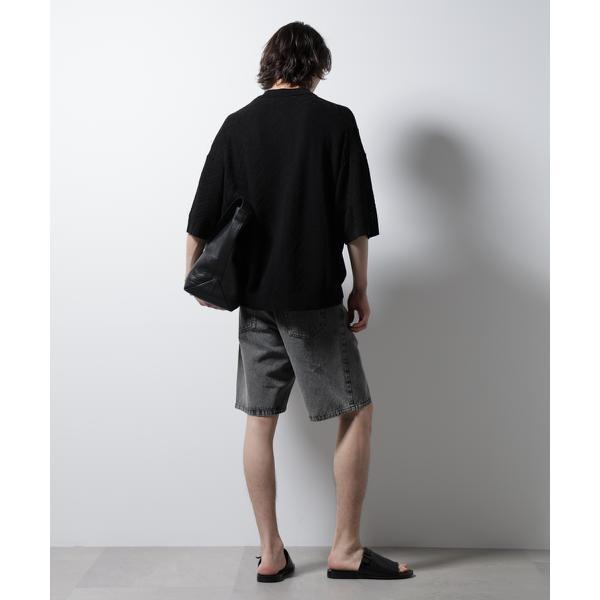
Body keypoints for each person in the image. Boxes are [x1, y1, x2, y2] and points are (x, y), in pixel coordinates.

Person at [185, 21, 413, 583]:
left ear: (270, 64)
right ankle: (346, 550)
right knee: (356, 410)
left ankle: (270, 554)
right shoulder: (335, 121)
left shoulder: (238, 124)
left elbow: (199, 218)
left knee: (259, 421)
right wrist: (361, 286)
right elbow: (355, 218)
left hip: (255, 298)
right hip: (313, 298)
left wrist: (196, 280)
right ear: (317, 66)